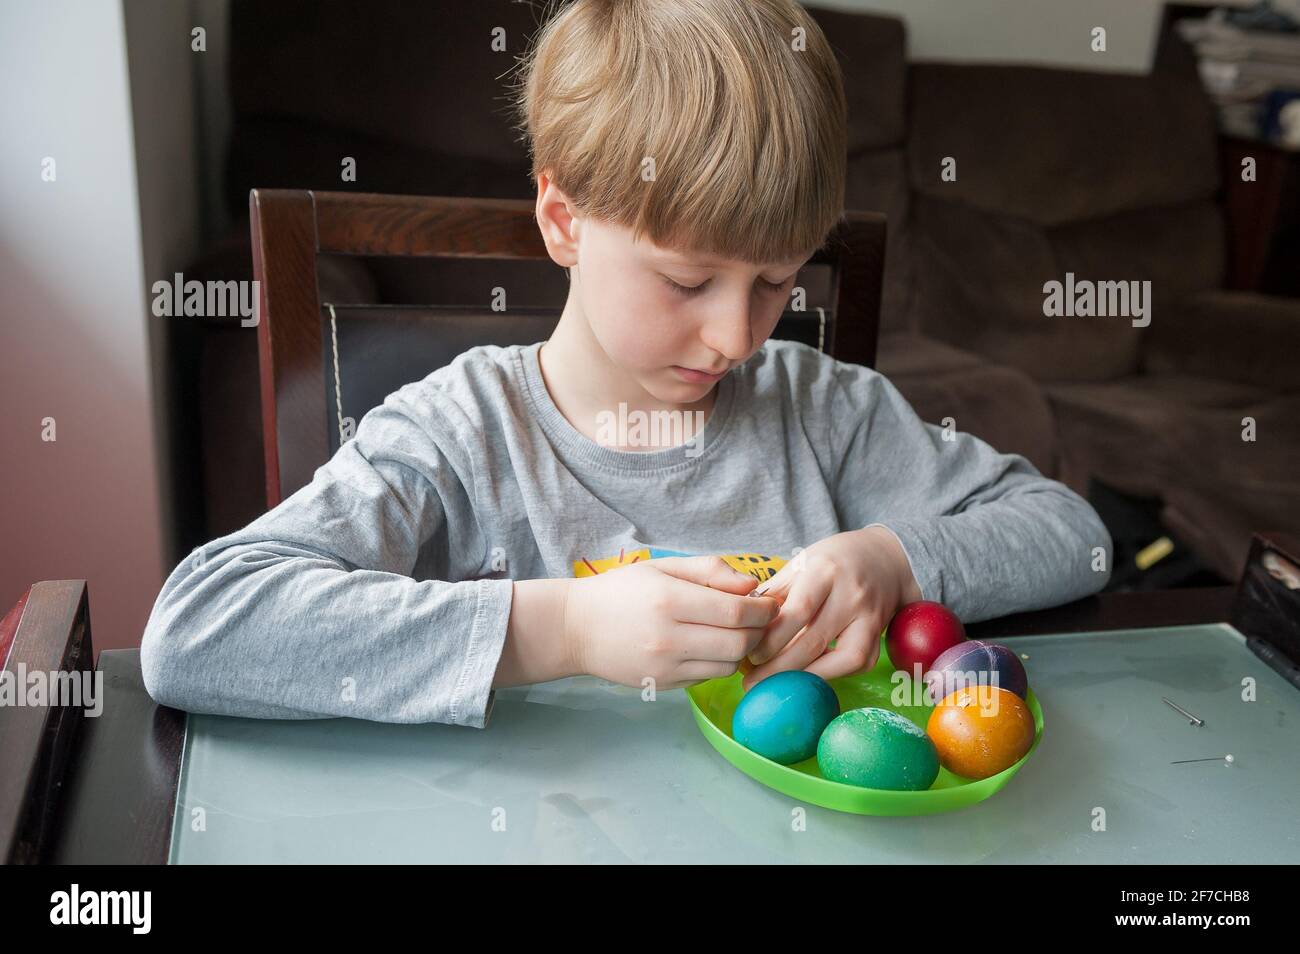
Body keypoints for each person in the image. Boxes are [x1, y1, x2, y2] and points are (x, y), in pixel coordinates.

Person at [140, 0, 1111, 727]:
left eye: (776, 281)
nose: (738, 337)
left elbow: (1076, 535)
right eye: (688, 283)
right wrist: (560, 632)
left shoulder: (827, 411)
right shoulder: (461, 434)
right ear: (563, 222)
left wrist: (893, 559)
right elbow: (196, 630)